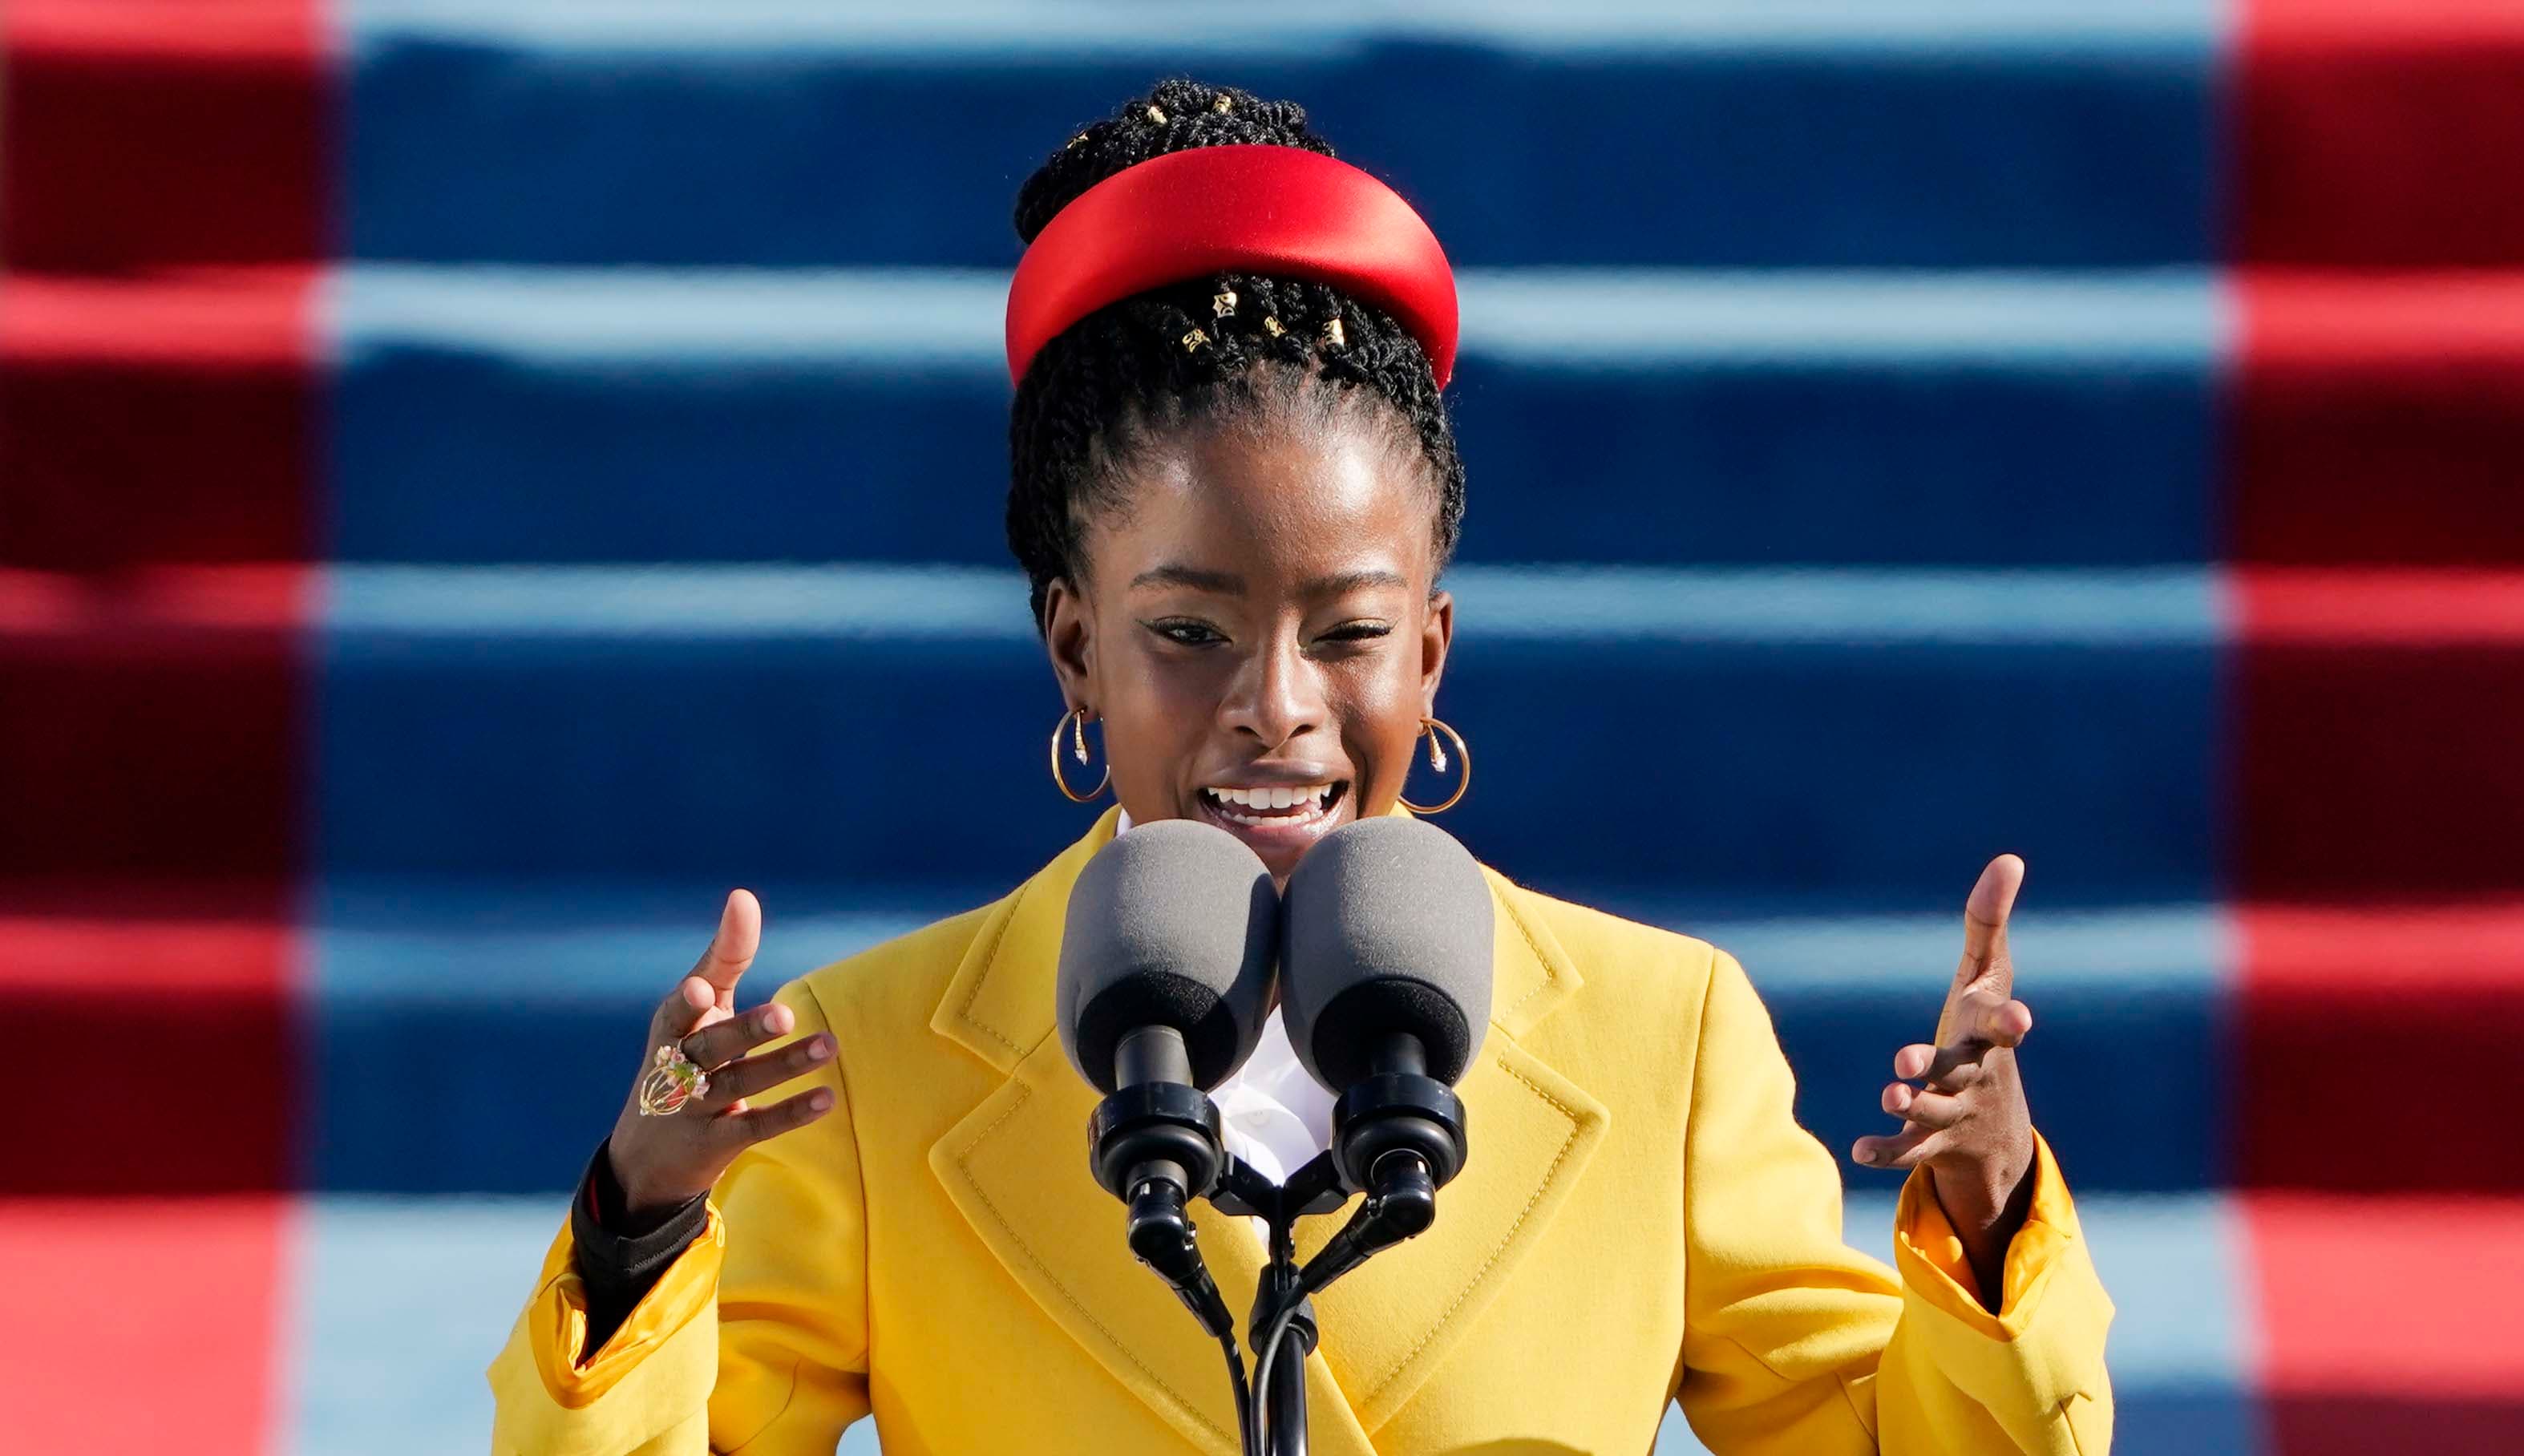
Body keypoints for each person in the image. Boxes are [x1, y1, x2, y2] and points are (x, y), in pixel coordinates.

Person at [487, 78, 2113, 1456]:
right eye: (1190, 632)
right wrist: (639, 1215)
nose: (1277, 705)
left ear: (1432, 651)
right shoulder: (876, 1065)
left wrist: (1988, 1216)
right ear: (1074, 647)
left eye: (1347, 629)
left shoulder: (1658, 1038)